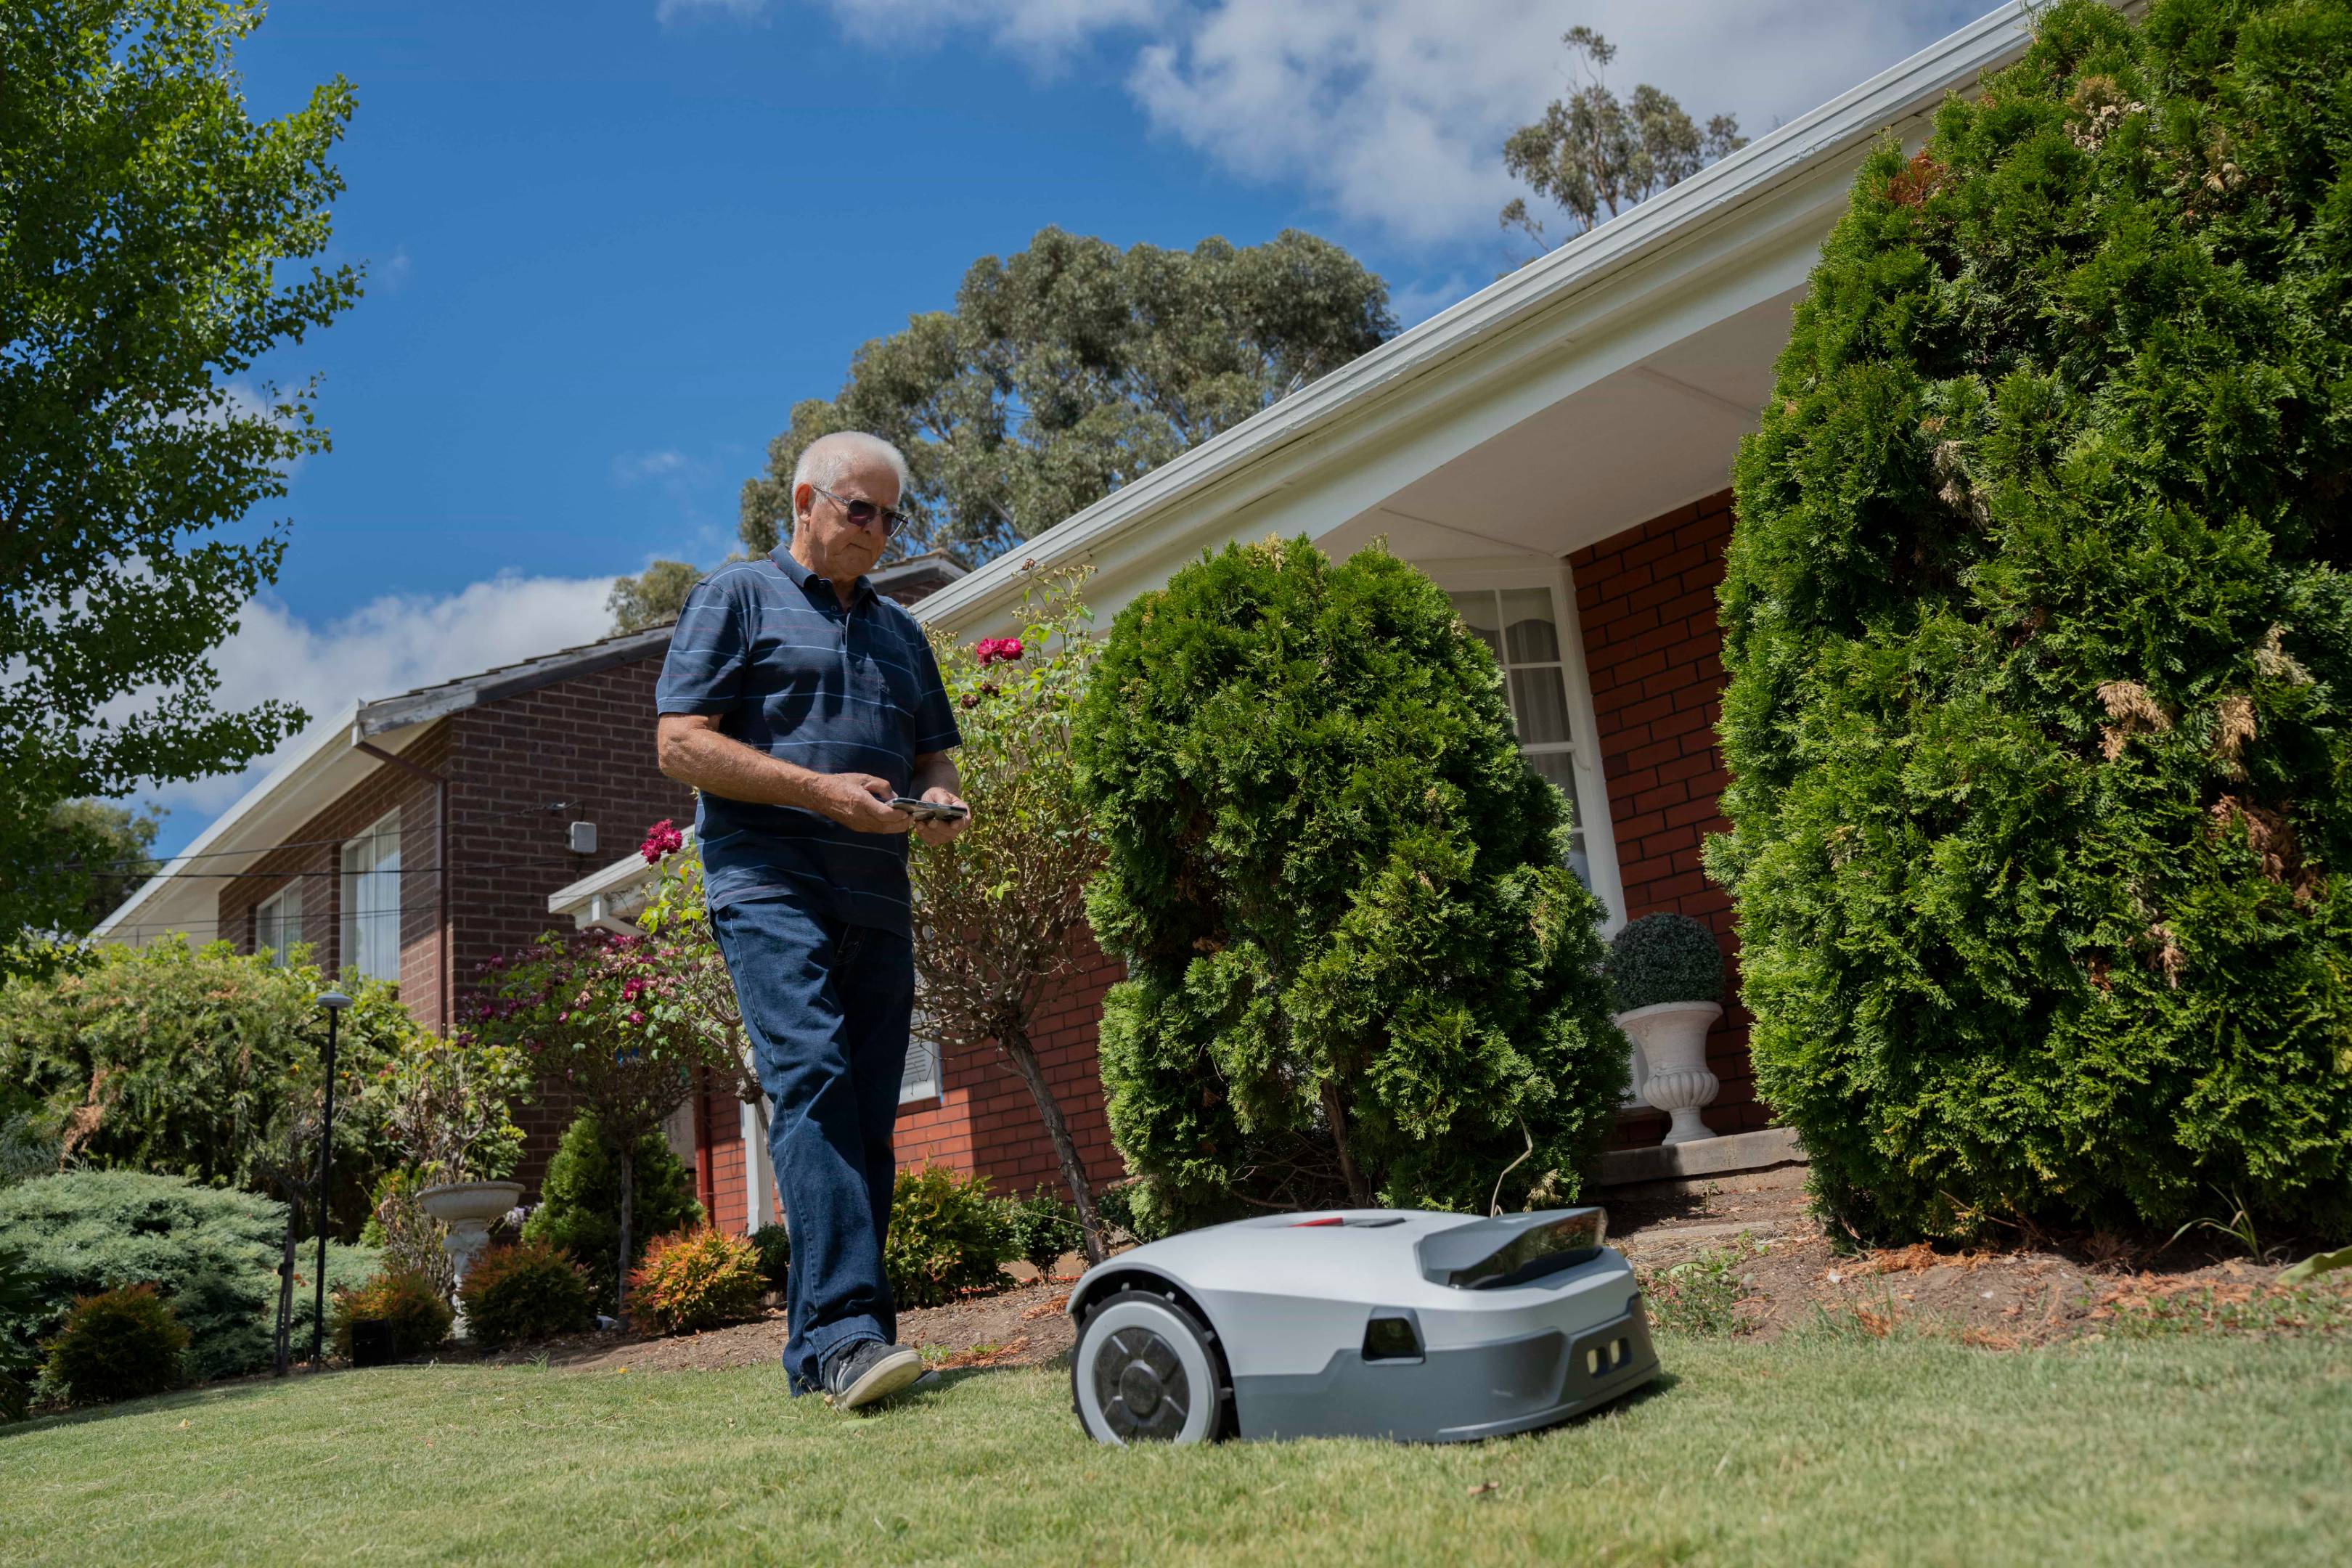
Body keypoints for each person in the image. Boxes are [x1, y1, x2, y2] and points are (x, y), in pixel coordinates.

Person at [654, 430, 968, 1410]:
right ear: (804, 501)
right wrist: (816, 793)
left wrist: (945, 802)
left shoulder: (903, 634)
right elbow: (680, 745)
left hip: (878, 891)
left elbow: (934, 760)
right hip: (768, 882)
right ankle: (845, 1335)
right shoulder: (735, 597)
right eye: (858, 511)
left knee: (867, 1115)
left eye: (890, 517)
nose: (876, 531)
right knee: (815, 1082)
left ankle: (829, 1348)